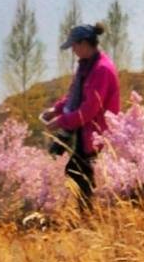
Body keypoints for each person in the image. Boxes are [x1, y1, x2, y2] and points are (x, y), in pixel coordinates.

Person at [42, 22, 120, 206]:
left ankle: (89, 218)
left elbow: (89, 109)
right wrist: (56, 109)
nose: (73, 50)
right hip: (85, 132)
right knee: (79, 173)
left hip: (98, 135)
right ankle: (88, 215)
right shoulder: (87, 65)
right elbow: (74, 95)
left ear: (84, 43)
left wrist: (61, 121)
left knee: (78, 173)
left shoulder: (101, 69)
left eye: (74, 46)